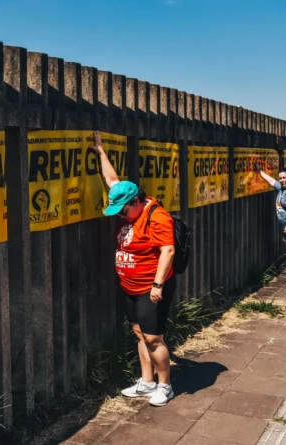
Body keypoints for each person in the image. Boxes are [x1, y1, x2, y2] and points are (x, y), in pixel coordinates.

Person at [90, 131, 176, 407]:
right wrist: (101, 152)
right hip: (131, 286)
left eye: (123, 211)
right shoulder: (129, 199)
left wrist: (158, 285)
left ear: (136, 202)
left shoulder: (156, 216)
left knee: (153, 337)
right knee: (140, 333)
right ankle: (146, 381)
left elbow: (168, 250)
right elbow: (113, 181)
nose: (120, 216)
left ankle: (165, 385)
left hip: (151, 288)